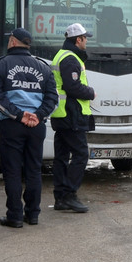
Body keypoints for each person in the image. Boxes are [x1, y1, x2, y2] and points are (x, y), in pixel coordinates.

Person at [0, 28, 58, 228]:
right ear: (28, 44)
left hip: (12, 125)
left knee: (12, 171)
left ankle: (15, 216)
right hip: (37, 126)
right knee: (34, 170)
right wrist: (38, 115)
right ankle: (33, 214)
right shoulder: (43, 68)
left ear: (12, 41)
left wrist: (19, 116)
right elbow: (53, 98)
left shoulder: (0, 65)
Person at [51, 23, 96, 213]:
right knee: (81, 154)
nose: (86, 42)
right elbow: (73, 87)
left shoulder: (63, 55)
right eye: (85, 38)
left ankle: (61, 196)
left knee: (61, 156)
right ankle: (69, 194)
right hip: (71, 115)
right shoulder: (70, 59)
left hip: (63, 114)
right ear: (79, 40)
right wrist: (91, 92)